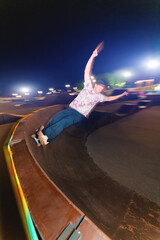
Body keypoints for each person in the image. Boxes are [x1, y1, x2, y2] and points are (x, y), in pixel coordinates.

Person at [34, 41, 128, 146]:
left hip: (79, 115)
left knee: (63, 122)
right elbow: (86, 71)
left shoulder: (100, 97)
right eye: (98, 85)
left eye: (101, 87)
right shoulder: (88, 86)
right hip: (71, 109)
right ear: (96, 84)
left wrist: (121, 95)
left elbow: (110, 99)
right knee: (56, 117)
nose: (98, 87)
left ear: (102, 89)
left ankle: (46, 138)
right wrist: (92, 56)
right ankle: (42, 133)